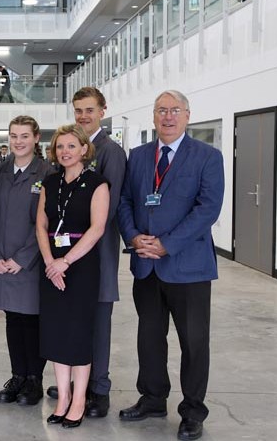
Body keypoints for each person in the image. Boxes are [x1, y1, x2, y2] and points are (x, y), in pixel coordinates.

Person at [117, 90, 224, 441]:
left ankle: (193, 412)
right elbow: (126, 200)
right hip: (145, 264)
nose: (167, 116)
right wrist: (134, 238)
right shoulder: (138, 156)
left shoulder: (208, 157)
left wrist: (167, 244)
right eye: (161, 110)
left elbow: (207, 209)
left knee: (193, 342)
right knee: (149, 337)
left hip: (188, 267)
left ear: (187, 115)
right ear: (153, 116)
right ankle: (152, 398)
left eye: (174, 110)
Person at [47, 87, 126, 419]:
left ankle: (99, 389)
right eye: (78, 110)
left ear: (103, 111)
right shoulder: (72, 147)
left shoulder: (111, 152)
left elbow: (106, 214)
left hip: (97, 253)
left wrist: (77, 251)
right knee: (73, 320)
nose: (83, 115)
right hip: (70, 253)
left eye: (89, 110)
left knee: (98, 321)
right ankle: (76, 383)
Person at [36, 124, 109, 429]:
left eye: (71, 146)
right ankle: (62, 398)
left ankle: (79, 399)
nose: (65, 151)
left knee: (78, 334)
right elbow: (41, 226)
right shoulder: (49, 183)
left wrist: (65, 261)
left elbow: (97, 229)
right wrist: (50, 262)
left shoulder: (97, 183)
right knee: (56, 333)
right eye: (60, 147)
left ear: (83, 149)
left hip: (80, 266)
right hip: (52, 264)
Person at [0, 115, 54, 406]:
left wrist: (22, 258)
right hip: (0, 261)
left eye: (24, 136)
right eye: (14, 136)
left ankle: (34, 378)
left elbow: (46, 223)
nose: (18, 141)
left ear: (36, 138)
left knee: (31, 319)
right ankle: (18, 375)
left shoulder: (47, 173)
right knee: (12, 318)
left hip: (30, 262)